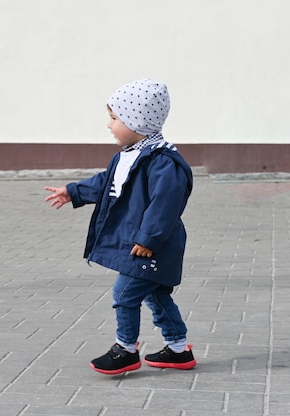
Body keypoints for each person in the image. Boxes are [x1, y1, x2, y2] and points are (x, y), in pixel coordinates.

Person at [44, 78, 196, 375]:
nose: (109, 125)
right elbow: (105, 183)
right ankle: (179, 350)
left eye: (115, 118)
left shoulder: (164, 162)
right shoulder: (127, 156)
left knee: (124, 295)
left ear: (137, 122)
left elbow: (164, 204)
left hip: (152, 247)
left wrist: (148, 238)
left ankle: (125, 349)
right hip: (143, 244)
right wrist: (73, 191)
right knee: (156, 295)